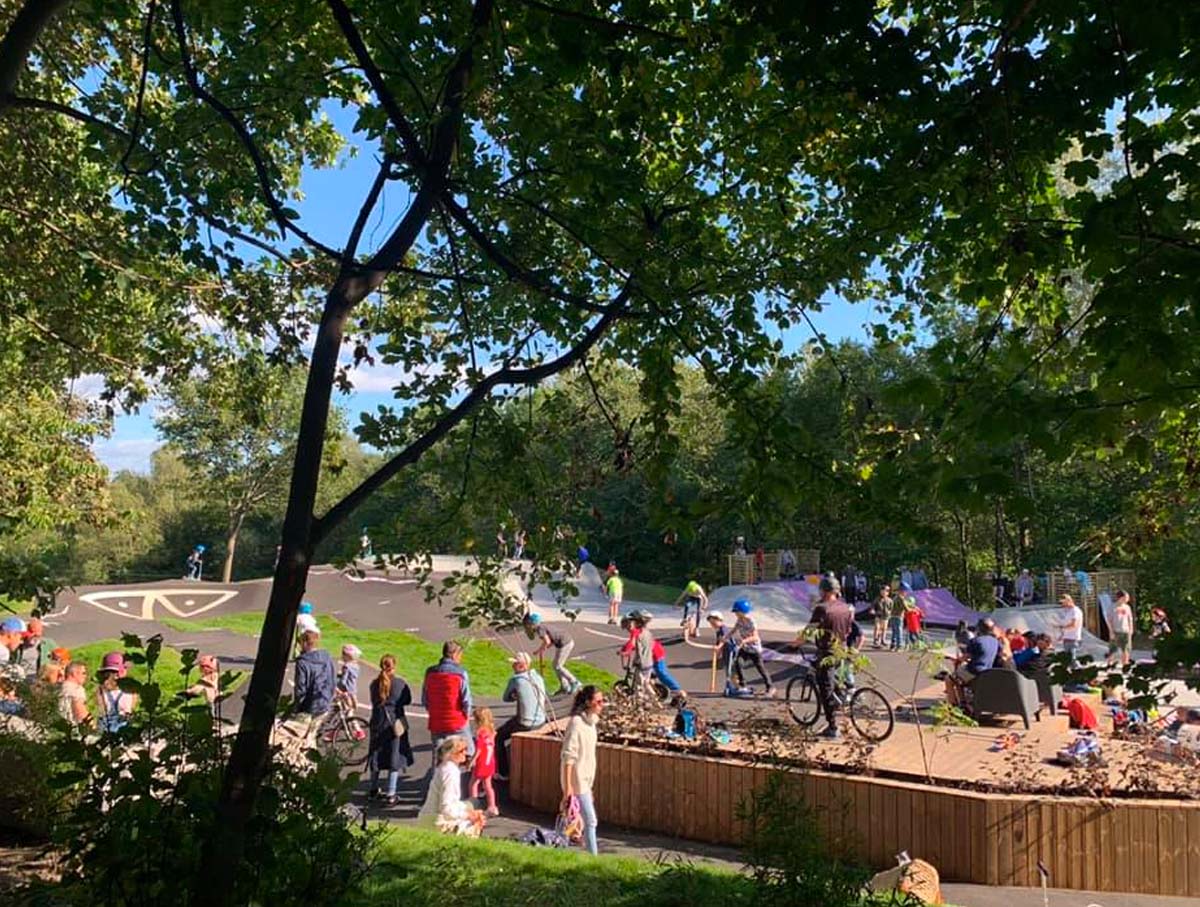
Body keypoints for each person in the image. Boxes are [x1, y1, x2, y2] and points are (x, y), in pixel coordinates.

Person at [803, 576, 857, 739]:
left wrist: (795, 643)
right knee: (834, 680)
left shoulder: (822, 609)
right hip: (842, 650)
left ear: (823, 591)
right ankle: (841, 696)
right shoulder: (846, 607)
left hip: (827, 652)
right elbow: (849, 630)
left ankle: (832, 726)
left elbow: (809, 630)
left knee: (825, 689)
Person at [560, 685, 604, 855]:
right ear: (588, 702)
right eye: (598, 701)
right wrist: (568, 787)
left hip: (586, 781)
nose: (601, 705)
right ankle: (593, 858)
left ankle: (559, 846)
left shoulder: (592, 724)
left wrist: (590, 786)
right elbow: (568, 757)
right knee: (591, 821)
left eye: (602, 701)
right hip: (577, 781)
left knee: (574, 822)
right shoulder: (576, 723)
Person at [367, 654, 414, 805]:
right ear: (394, 666)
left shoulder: (374, 684)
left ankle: (373, 789)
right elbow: (407, 700)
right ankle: (391, 793)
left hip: (377, 722)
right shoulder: (400, 684)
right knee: (394, 757)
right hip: (394, 724)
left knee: (376, 756)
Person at [419, 736, 486, 836]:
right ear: (451, 753)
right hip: (437, 821)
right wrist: (469, 815)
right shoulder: (450, 773)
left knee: (473, 803)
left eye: (466, 749)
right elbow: (446, 808)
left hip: (428, 817)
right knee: (477, 822)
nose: (465, 753)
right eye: (461, 750)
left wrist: (468, 811)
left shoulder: (444, 767)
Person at [496, 651, 547, 779]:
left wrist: (514, 696)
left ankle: (503, 773)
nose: (512, 666)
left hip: (526, 723)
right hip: (541, 719)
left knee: (498, 736)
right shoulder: (538, 677)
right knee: (513, 722)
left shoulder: (516, 680)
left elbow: (506, 698)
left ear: (521, 665)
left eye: (514, 664)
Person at [422, 640, 474, 763]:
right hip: (456, 721)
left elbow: (425, 699)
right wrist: (466, 717)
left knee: (438, 758)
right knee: (468, 752)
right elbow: (466, 701)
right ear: (454, 654)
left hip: (436, 721)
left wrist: (433, 712)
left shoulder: (430, 672)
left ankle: (437, 775)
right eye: (460, 655)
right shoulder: (460, 674)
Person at [625, 611, 685, 703]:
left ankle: (677, 690)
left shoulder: (636, 631)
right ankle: (653, 688)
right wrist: (626, 648)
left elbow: (631, 643)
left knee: (661, 673)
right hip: (650, 655)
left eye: (629, 623)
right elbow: (634, 643)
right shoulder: (639, 630)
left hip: (655, 653)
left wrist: (625, 651)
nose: (628, 627)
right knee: (649, 674)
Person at [287, 629, 336, 742]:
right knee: (312, 735)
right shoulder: (326, 657)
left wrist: (296, 707)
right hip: (324, 702)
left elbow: (301, 688)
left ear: (304, 643)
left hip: (308, 706)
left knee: (298, 738)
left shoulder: (303, 662)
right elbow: (332, 679)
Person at [945, 618, 999, 707]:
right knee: (958, 678)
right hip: (987, 672)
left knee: (949, 679)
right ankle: (963, 703)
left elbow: (964, 658)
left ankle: (953, 705)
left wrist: (955, 659)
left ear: (978, 628)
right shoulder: (995, 641)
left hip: (974, 672)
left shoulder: (976, 641)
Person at [524, 613, 580, 696]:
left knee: (558, 666)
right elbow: (550, 641)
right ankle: (564, 686)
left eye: (530, 623)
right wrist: (542, 649)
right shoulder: (542, 627)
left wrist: (539, 650)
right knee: (556, 666)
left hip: (565, 643)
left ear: (534, 623)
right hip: (563, 642)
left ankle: (574, 682)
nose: (529, 626)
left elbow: (547, 641)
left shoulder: (540, 629)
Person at [729, 599, 773, 697]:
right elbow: (734, 630)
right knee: (738, 663)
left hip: (754, 649)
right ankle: (743, 685)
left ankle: (770, 687)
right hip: (745, 648)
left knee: (760, 668)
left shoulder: (751, 621)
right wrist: (725, 638)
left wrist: (744, 641)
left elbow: (755, 637)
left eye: (736, 611)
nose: (735, 614)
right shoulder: (739, 620)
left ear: (742, 611)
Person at [469, 706, 499, 817]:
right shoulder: (492, 732)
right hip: (490, 762)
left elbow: (479, 749)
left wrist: (472, 760)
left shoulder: (481, 733)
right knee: (487, 785)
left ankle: (474, 805)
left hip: (481, 762)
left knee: (473, 783)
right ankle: (492, 806)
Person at [96, 652, 137, 733]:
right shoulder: (129, 691)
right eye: (125, 668)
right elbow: (131, 709)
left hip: (105, 729)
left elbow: (101, 710)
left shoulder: (100, 690)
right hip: (123, 728)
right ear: (119, 673)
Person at [1106, 589, 1134, 668]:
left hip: (1126, 631)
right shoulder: (1112, 607)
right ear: (1121, 597)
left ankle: (1125, 666)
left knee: (1126, 650)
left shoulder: (1127, 607)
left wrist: (1131, 629)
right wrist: (1111, 631)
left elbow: (1130, 619)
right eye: (1126, 597)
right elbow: (1109, 620)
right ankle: (1109, 665)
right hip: (1116, 631)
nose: (1128, 599)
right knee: (1112, 650)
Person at [58, 661, 91, 727]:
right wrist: (92, 726)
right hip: (73, 728)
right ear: (74, 673)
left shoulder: (60, 688)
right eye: (83, 673)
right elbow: (80, 711)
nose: (85, 676)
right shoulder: (77, 689)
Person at [1059, 594, 1084, 669]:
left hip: (1073, 638)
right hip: (1067, 638)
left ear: (1069, 601)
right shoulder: (1067, 611)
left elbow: (1074, 624)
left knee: (1073, 659)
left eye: (1064, 602)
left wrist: (1063, 627)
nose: (1062, 605)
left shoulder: (1075, 611)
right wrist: (1062, 634)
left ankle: (1080, 671)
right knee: (1068, 660)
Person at [335, 643, 362, 712]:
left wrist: (340, 683)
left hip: (346, 686)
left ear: (348, 656)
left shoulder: (346, 667)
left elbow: (344, 678)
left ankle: (348, 709)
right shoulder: (356, 666)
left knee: (345, 698)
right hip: (352, 685)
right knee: (353, 696)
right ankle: (354, 707)